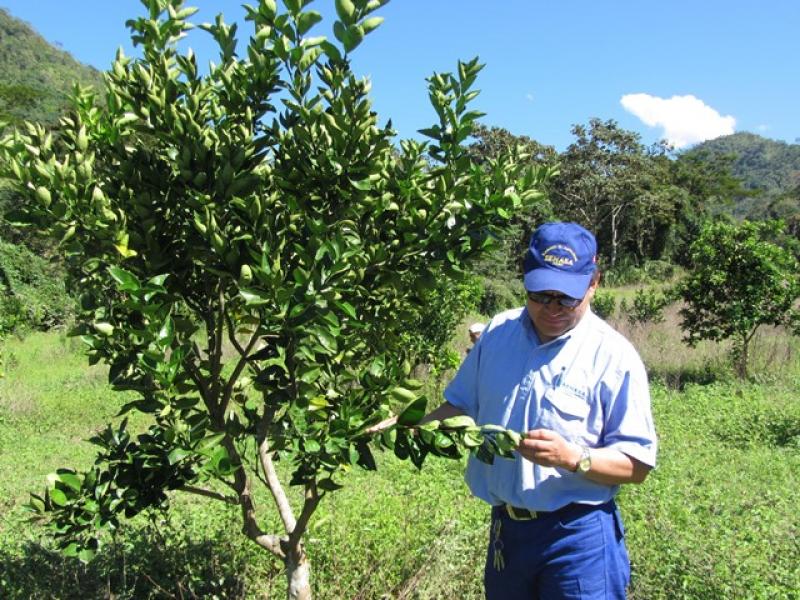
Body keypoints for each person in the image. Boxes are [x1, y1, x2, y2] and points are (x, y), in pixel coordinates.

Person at [422, 221, 657, 599]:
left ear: (593, 282)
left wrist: (573, 457)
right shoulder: (498, 333)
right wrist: (404, 426)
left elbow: (638, 464)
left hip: (577, 538)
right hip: (508, 533)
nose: (552, 308)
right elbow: (459, 405)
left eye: (567, 298)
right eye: (540, 295)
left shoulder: (613, 357)